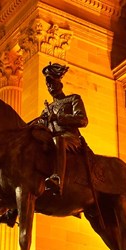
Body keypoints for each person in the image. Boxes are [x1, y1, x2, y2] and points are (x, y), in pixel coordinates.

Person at [39, 62, 88, 195]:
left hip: (70, 138)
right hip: (51, 139)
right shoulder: (46, 109)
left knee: (58, 140)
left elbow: (82, 120)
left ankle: (57, 179)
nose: (49, 86)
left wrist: (59, 117)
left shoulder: (73, 99)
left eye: (52, 82)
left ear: (59, 83)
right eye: (47, 84)